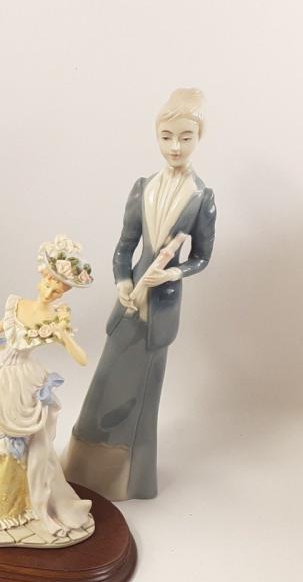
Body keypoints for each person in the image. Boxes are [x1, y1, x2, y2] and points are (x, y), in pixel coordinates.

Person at [64, 88, 217, 500]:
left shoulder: (202, 198)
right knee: (106, 382)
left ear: (199, 138)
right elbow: (124, 246)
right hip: (130, 303)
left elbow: (202, 256)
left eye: (185, 137)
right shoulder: (142, 188)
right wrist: (123, 282)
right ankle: (82, 469)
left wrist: (173, 271)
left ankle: (128, 479)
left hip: (161, 309)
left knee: (143, 392)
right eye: (166, 136)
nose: (175, 146)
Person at [0, 238, 94, 537]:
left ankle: (9, 502)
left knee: (13, 436)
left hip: (23, 377)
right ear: (42, 277)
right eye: (48, 284)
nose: (50, 292)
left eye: (57, 291)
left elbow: (82, 359)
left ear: (64, 293)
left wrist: (63, 335)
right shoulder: (17, 304)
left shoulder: (55, 319)